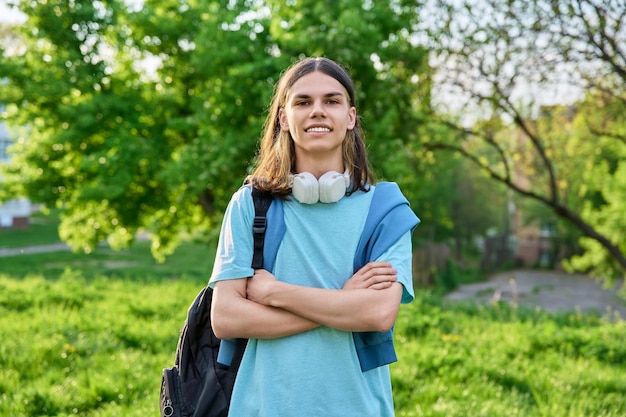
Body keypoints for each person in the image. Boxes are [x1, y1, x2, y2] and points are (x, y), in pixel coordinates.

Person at [209, 56, 419, 417]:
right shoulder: (250, 205)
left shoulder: (385, 210)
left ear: (350, 117)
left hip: (358, 407)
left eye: (332, 101)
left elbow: (379, 313)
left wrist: (276, 293)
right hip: (263, 407)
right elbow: (226, 318)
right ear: (283, 119)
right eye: (303, 102)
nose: (317, 111)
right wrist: (343, 302)